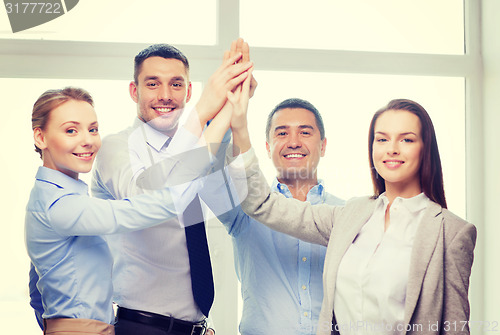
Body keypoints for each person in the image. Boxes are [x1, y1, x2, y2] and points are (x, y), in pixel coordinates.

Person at [228, 97, 476, 335]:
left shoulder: (451, 232)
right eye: (382, 139)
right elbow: (265, 204)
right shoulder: (350, 215)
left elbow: (455, 328)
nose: (392, 149)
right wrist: (239, 124)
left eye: (407, 140)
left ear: (425, 148)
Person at [26, 87, 224, 335]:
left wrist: (58, 326)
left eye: (93, 129)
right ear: (40, 137)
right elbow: (152, 206)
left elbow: (38, 287)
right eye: (71, 130)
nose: (87, 140)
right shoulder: (59, 204)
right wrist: (210, 123)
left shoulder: (54, 196)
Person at [91, 41, 254, 335]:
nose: (165, 96)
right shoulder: (116, 148)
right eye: (152, 84)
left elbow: (231, 199)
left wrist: (233, 106)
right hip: (140, 326)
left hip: (197, 328)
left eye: (176, 84)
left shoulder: (200, 144)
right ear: (134, 90)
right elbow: (150, 197)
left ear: (188, 92)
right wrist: (204, 112)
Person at [217, 98, 344, 334]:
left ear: (323, 146)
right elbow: (208, 163)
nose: (293, 142)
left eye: (305, 132)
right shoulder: (243, 207)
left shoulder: (346, 215)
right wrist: (232, 104)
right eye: (282, 133)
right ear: (267, 147)